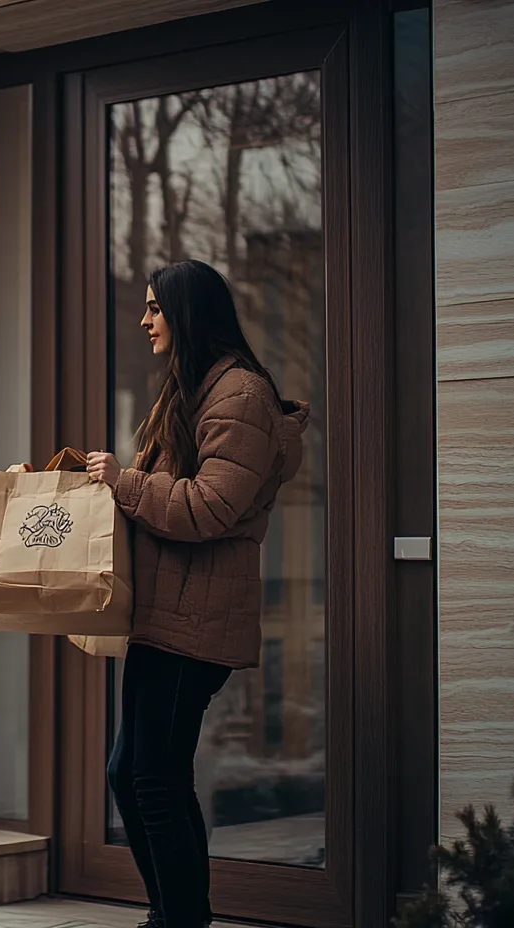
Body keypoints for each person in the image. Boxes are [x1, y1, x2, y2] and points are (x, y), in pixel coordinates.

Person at [85, 259, 308, 928]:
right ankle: (175, 914)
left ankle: (177, 918)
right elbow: (164, 498)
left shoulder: (238, 396)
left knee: (152, 777)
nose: (145, 319)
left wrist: (124, 482)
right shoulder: (194, 391)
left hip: (197, 620)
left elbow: (209, 507)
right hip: (169, 614)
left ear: (186, 316)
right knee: (136, 774)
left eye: (155, 308)